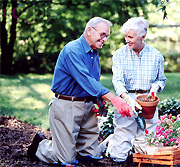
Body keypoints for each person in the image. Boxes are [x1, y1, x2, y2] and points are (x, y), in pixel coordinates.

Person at [27, 17, 133, 165]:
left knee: (90, 156)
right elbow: (85, 80)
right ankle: (40, 146)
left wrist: (100, 101)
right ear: (89, 30)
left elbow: (94, 81)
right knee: (66, 160)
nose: (105, 39)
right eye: (102, 34)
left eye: (107, 36)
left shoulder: (93, 53)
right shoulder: (72, 50)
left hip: (87, 106)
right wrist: (114, 99)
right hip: (67, 105)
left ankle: (69, 147)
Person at [101, 17, 167, 162]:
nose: (126, 40)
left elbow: (161, 79)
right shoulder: (119, 54)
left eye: (130, 37)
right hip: (127, 98)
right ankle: (112, 147)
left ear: (143, 37)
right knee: (119, 151)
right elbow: (117, 81)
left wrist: (155, 88)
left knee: (145, 146)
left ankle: (138, 157)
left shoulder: (156, 56)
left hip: (147, 101)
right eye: (125, 36)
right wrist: (127, 99)